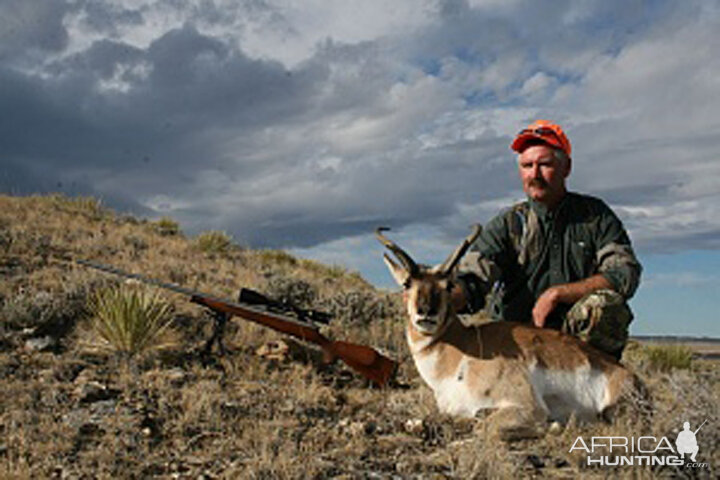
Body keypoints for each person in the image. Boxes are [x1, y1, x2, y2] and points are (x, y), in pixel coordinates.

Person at [453, 120, 642, 360]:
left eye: (545, 164)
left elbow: (624, 273)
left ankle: (597, 385)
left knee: (604, 306)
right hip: (520, 345)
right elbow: (473, 277)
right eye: (527, 165)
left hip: (577, 344)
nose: (534, 174)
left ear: (567, 168)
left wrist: (557, 294)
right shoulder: (509, 223)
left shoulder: (595, 216)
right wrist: (445, 297)